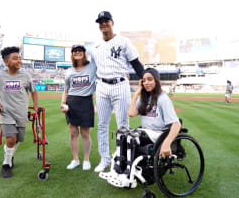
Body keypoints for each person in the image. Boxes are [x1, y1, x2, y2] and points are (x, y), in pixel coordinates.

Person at [91, 11, 145, 172]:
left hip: (120, 84)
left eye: (106, 21)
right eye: (100, 22)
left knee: (123, 125)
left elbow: (136, 63)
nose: (103, 24)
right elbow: (92, 69)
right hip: (101, 86)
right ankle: (104, 159)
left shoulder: (124, 41)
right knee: (102, 124)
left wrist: (145, 79)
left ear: (112, 22)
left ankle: (123, 158)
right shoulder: (95, 47)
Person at [0, 46, 39, 178]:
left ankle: (9, 156)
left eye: (19, 58)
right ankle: (6, 165)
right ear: (6, 62)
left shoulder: (25, 75)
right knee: (10, 138)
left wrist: (35, 105)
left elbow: (33, 91)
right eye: (15, 58)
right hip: (6, 113)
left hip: (21, 113)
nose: (19, 61)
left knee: (17, 139)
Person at [128, 68, 181, 159]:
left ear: (156, 80)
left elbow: (176, 124)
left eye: (150, 79)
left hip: (158, 133)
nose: (146, 83)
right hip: (146, 131)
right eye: (144, 81)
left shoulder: (163, 99)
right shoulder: (144, 98)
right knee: (123, 135)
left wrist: (166, 143)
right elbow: (131, 113)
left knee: (130, 138)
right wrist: (136, 93)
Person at [61, 44, 96, 171]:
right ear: (72, 54)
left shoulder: (92, 67)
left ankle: (86, 160)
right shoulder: (69, 71)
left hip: (86, 101)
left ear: (84, 53)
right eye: (75, 51)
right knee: (73, 133)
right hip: (72, 102)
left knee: (85, 133)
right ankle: (75, 159)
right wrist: (63, 102)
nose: (77, 53)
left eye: (80, 51)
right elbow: (66, 89)